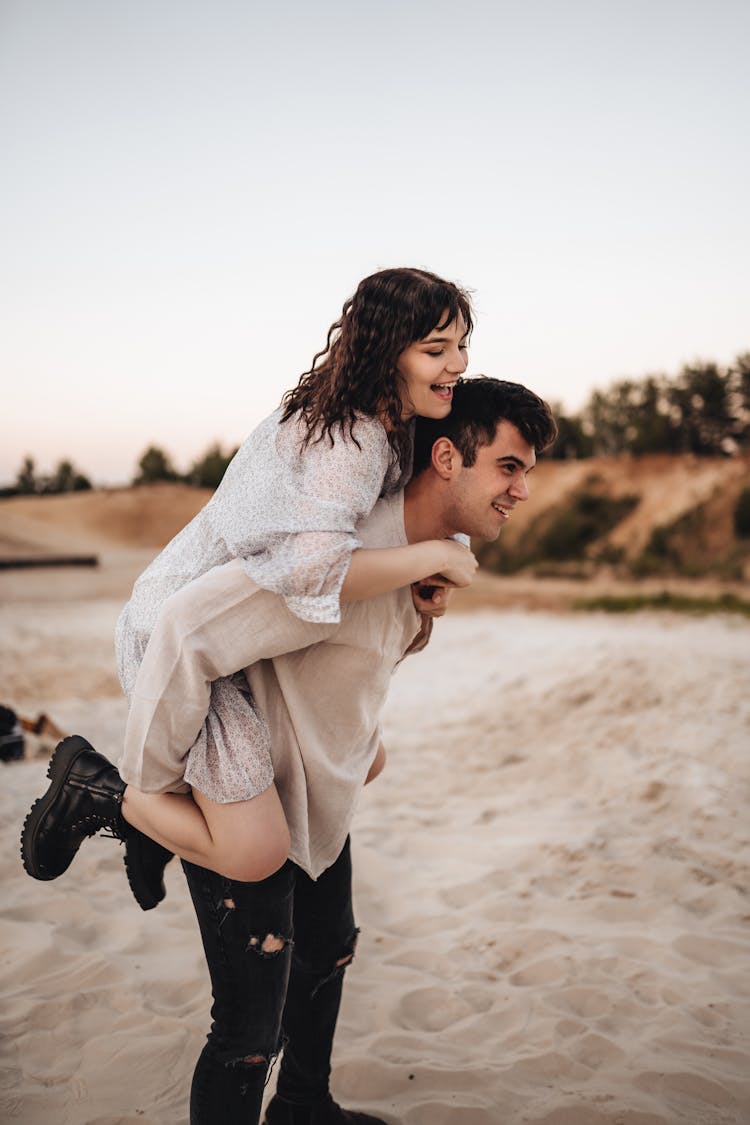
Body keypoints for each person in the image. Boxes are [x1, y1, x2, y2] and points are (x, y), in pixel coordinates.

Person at [21, 378, 558, 1125]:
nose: (523, 489)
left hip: (315, 776)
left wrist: (363, 742)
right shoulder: (334, 552)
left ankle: (305, 1107)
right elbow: (192, 631)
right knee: (247, 1029)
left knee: (329, 946)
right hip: (245, 782)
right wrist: (162, 782)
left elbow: (362, 661)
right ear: (445, 456)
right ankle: (109, 796)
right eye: (509, 466)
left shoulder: (433, 553)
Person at [21, 267, 475, 902]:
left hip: (249, 643)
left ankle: (163, 833)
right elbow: (315, 568)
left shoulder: (387, 426)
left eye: (461, 346)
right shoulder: (347, 440)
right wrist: (429, 554)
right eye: (435, 349)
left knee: (362, 762)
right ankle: (99, 789)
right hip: (184, 639)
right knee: (254, 852)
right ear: (384, 349)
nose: (456, 364)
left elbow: (381, 535)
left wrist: (429, 568)